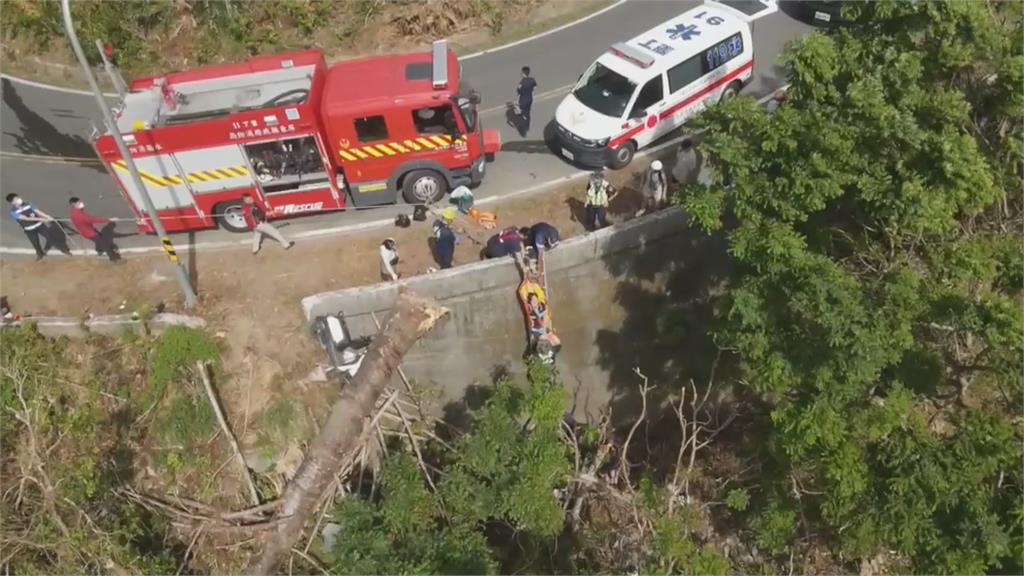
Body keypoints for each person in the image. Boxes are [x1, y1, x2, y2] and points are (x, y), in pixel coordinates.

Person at [6, 193, 68, 260]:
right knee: (35, 243)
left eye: (18, 198)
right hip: (29, 229)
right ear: (12, 202)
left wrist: (47, 216)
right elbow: (27, 218)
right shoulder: (13, 212)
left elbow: (37, 211)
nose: (19, 199)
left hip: (39, 225)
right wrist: (41, 219)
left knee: (51, 237)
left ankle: (65, 250)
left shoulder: (28, 204)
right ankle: (40, 255)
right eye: (16, 199)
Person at [68, 197, 121, 262]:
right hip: (90, 233)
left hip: (88, 230)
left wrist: (81, 208)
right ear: (74, 204)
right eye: (79, 202)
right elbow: (93, 219)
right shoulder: (79, 215)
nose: (81, 203)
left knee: (101, 240)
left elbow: (84, 216)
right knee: (105, 244)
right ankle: (113, 259)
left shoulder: (74, 211)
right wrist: (109, 219)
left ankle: (99, 251)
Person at [515, 66, 537, 136]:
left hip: (522, 101)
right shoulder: (532, 80)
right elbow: (535, 87)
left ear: (523, 73)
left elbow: (518, 91)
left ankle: (523, 129)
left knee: (520, 114)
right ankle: (527, 127)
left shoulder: (521, 83)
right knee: (527, 114)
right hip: (530, 99)